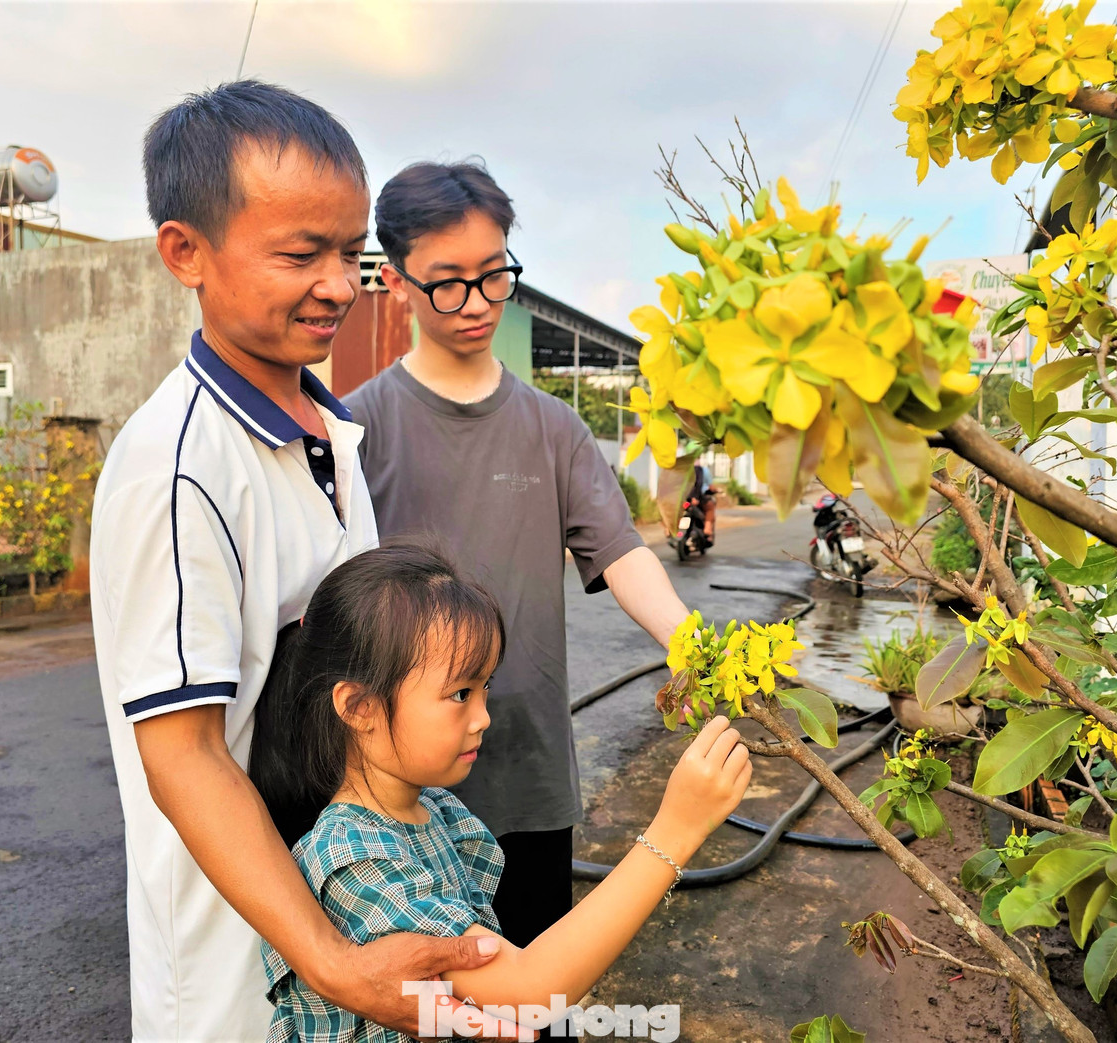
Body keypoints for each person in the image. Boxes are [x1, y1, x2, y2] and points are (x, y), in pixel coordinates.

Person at [90, 82, 497, 1042]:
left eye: (350, 253)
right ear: (185, 252)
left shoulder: (329, 431)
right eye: (298, 253)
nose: (338, 283)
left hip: (347, 933)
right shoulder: (182, 468)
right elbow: (184, 755)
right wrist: (337, 966)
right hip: (245, 981)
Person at [344, 160, 695, 956]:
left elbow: (620, 550)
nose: (477, 302)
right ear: (397, 282)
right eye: (447, 283)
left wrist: (692, 641)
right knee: (426, 1009)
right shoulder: (357, 428)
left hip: (530, 773)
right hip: (400, 792)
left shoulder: (555, 427)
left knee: (539, 996)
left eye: (493, 274)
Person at [248, 541, 751, 1041]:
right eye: (460, 694)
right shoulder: (353, 859)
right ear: (360, 708)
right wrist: (676, 830)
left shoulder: (434, 809)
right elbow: (530, 992)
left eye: (485, 687)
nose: (484, 717)